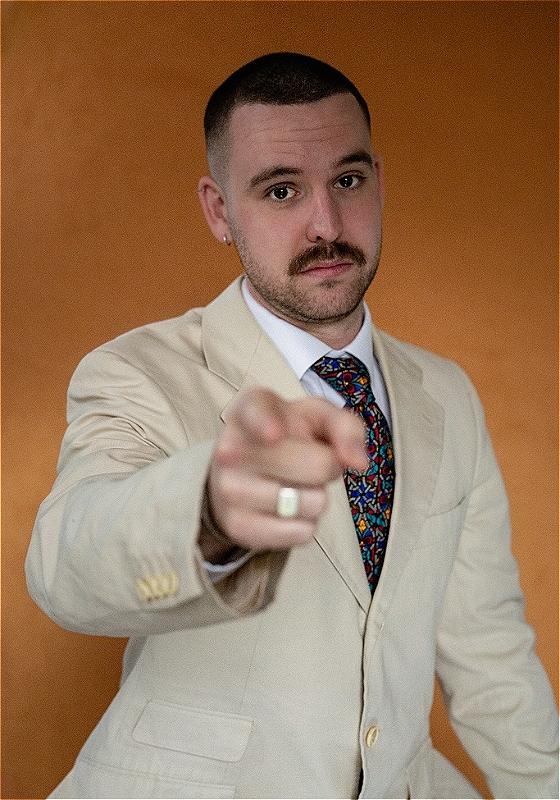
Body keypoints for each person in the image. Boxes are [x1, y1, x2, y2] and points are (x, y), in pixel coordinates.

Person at [26, 52, 557, 799]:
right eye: (281, 189)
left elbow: (490, 653)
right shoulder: (134, 372)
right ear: (219, 210)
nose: (327, 225)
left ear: (378, 179)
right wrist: (208, 510)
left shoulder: (448, 393)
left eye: (348, 180)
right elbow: (64, 562)